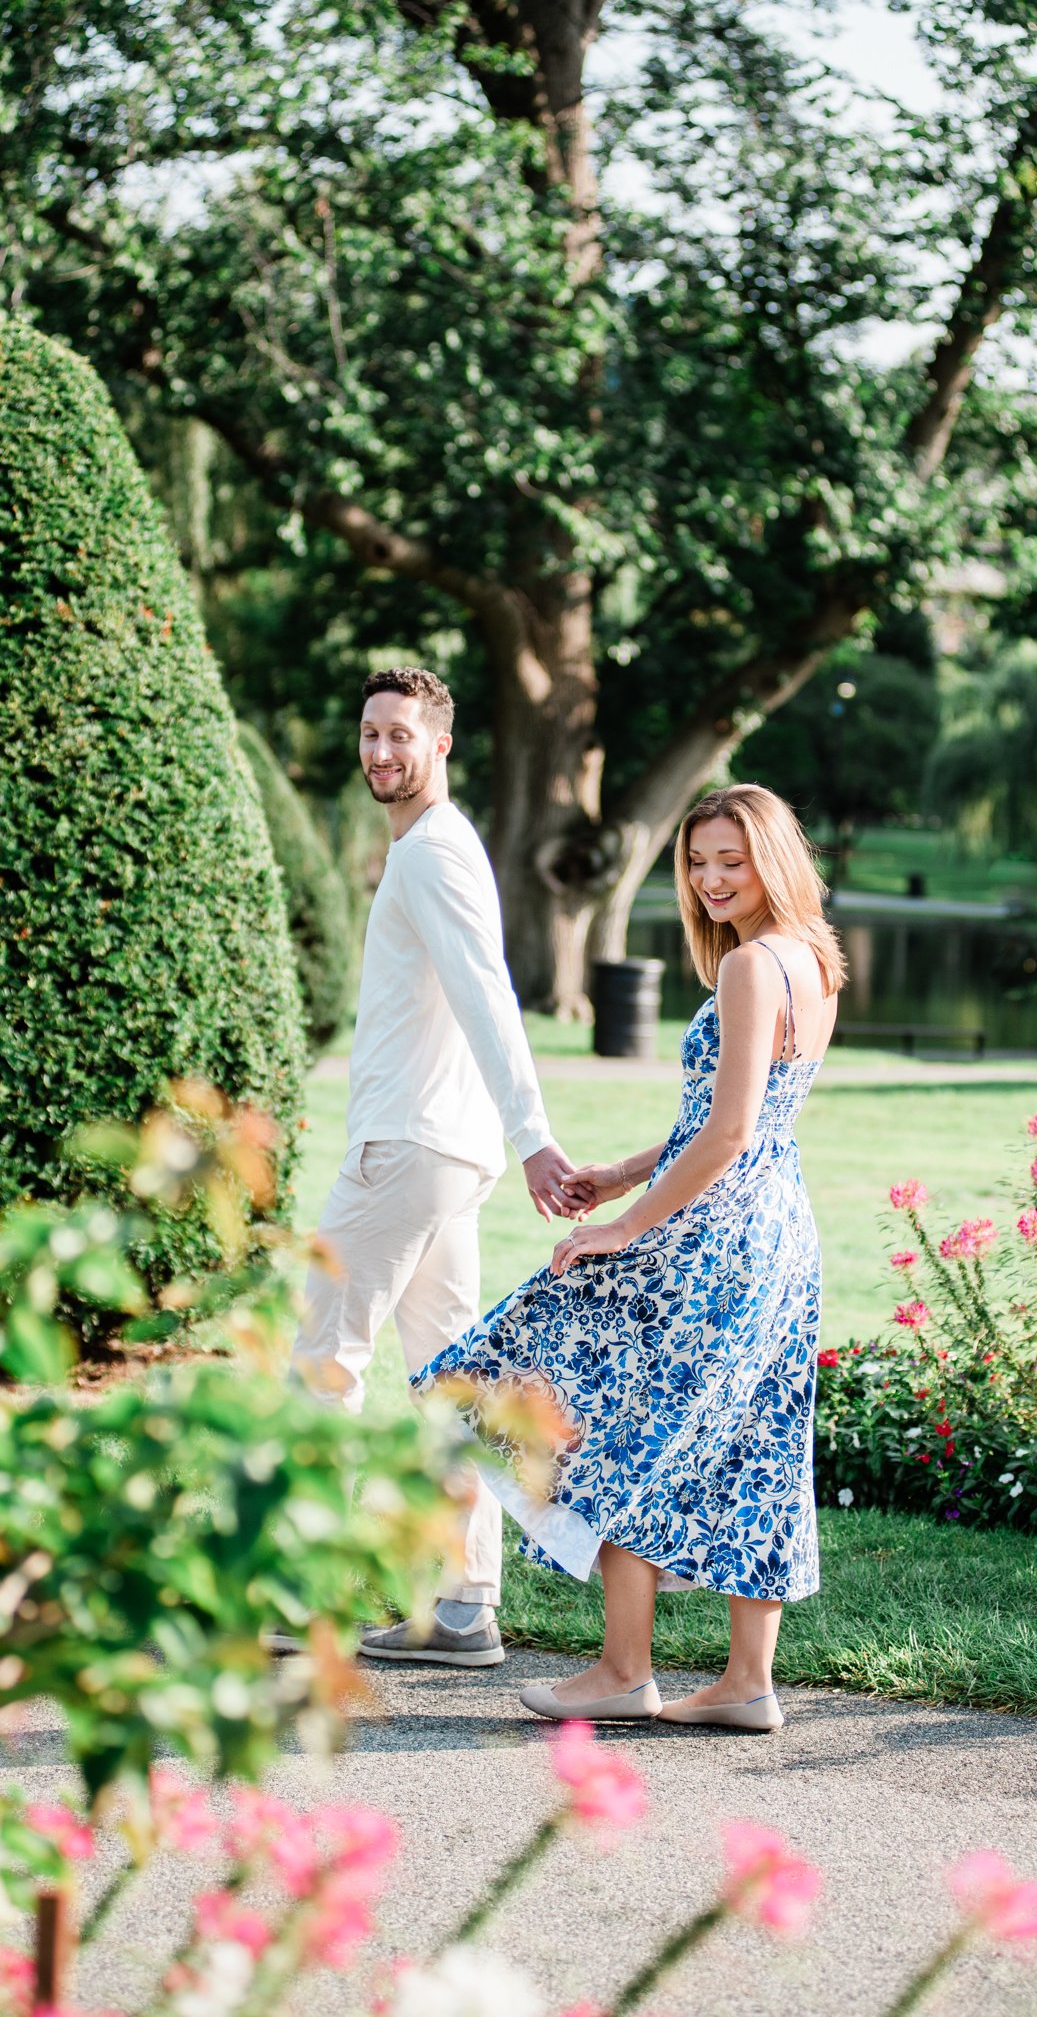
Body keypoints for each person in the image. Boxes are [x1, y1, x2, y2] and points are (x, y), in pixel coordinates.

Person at [414, 784, 843, 1729]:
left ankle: (622, 1671)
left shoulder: (748, 971)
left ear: (773, 858)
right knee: (755, 1448)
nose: (712, 878)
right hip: (780, 1235)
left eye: (732, 859)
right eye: (698, 861)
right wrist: (619, 1172)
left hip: (714, 1238)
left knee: (609, 1424)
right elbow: (742, 1122)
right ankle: (746, 1684)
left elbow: (729, 1132)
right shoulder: (813, 960)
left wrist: (625, 1226)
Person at [292, 667, 576, 1669]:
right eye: (368, 734)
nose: (379, 753)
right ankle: (462, 1609)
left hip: (406, 1150)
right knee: (448, 1385)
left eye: (399, 736)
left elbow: (489, 996)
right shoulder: (433, 847)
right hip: (441, 1153)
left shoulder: (431, 853)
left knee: (319, 1361)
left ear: (441, 745)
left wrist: (535, 1133)